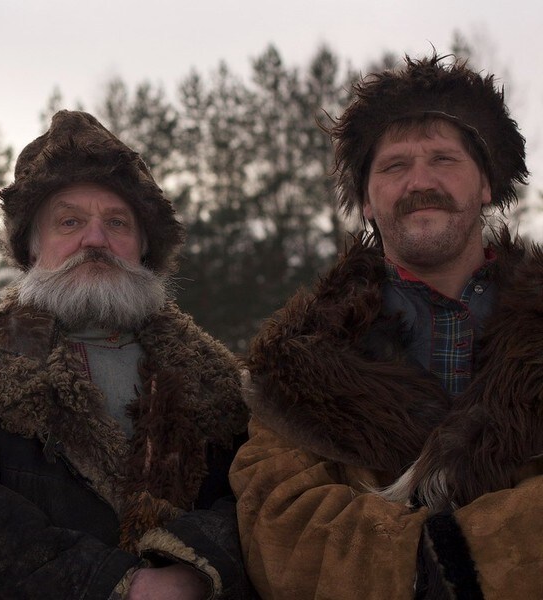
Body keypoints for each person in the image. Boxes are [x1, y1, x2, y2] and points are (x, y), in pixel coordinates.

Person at [0, 110, 252, 599]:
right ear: (32, 248)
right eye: (70, 221)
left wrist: (193, 568)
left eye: (117, 222)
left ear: (143, 248)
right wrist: (113, 582)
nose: (95, 240)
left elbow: (260, 494)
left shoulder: (222, 385)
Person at [230, 53, 543, 598]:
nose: (420, 181)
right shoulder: (297, 366)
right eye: (394, 166)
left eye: (444, 159)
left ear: (487, 185)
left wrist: (429, 554)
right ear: (367, 202)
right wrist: (452, 562)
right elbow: (282, 529)